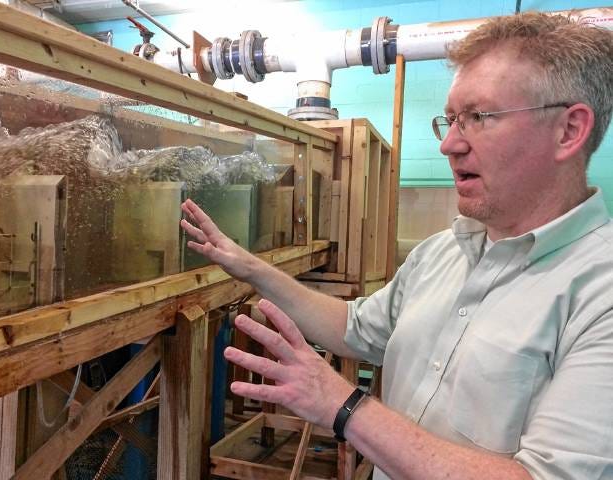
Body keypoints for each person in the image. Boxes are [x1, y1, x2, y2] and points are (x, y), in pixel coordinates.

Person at [180, 11, 613, 480]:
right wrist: (250, 267)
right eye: (449, 119)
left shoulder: (599, 290)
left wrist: (343, 407)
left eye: (479, 118)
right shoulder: (441, 252)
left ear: (569, 130)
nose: (449, 145)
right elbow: (354, 327)